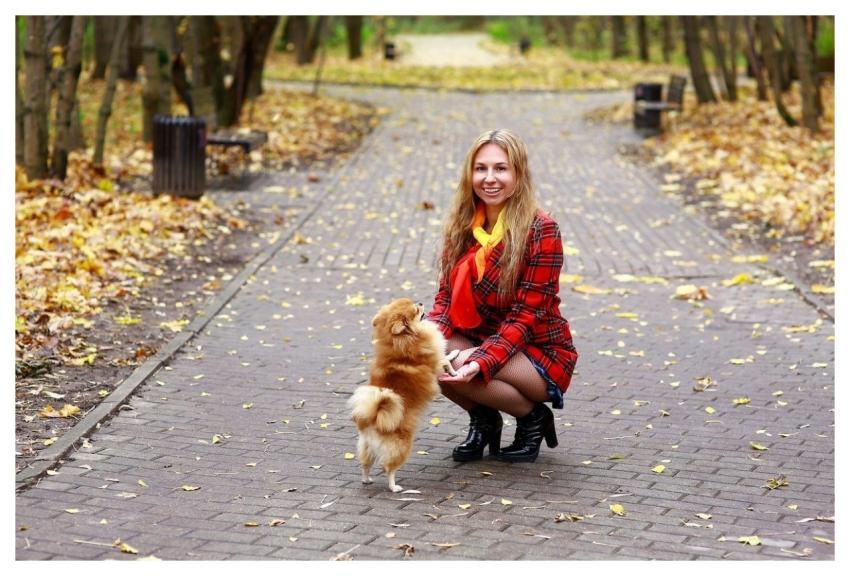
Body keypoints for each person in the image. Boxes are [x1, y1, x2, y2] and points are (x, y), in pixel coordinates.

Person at [427, 128, 578, 463]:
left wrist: (481, 358)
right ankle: (484, 419)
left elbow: (526, 315)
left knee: (462, 363)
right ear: (470, 174)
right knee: (430, 352)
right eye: (481, 168)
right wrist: (424, 339)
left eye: (501, 168)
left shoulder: (541, 230)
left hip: (536, 350)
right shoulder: (462, 225)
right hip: (482, 337)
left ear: (518, 174)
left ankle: (532, 417)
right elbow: (444, 300)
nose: (489, 178)